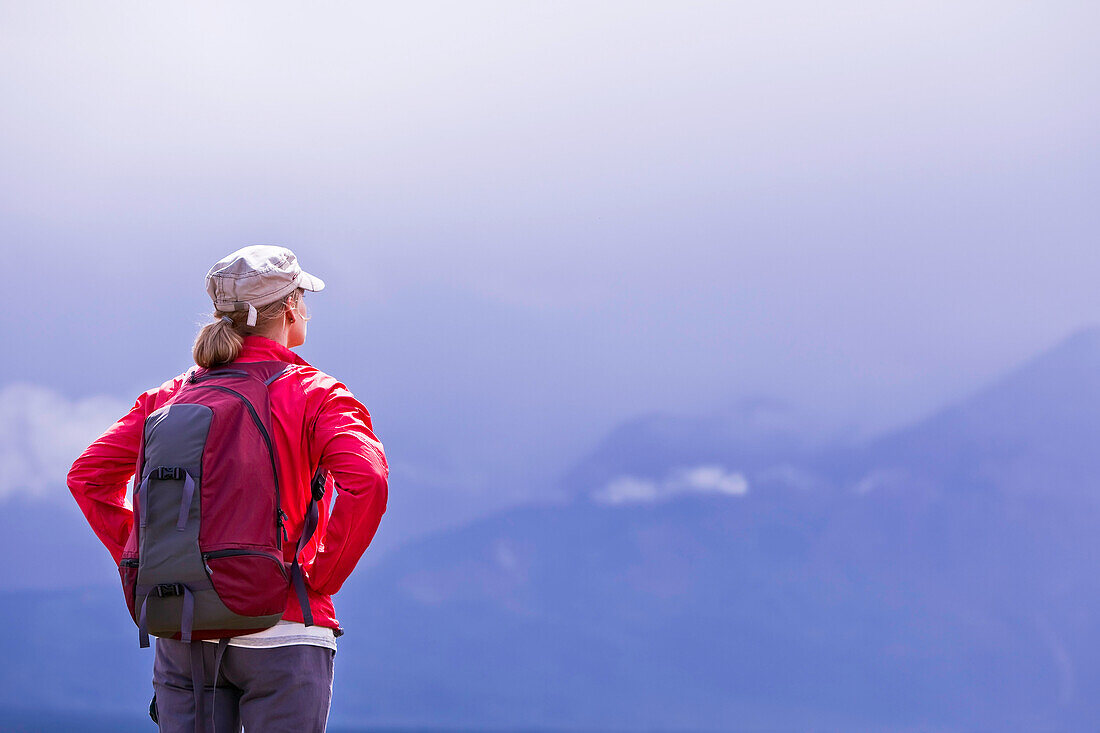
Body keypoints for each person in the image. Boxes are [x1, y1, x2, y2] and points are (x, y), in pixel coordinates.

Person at [67, 245, 389, 732]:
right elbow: (367, 480)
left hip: (186, 625)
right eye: (304, 297)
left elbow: (88, 478)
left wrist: (154, 558)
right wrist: (319, 578)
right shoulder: (314, 392)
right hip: (284, 629)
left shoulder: (169, 397)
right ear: (289, 309)